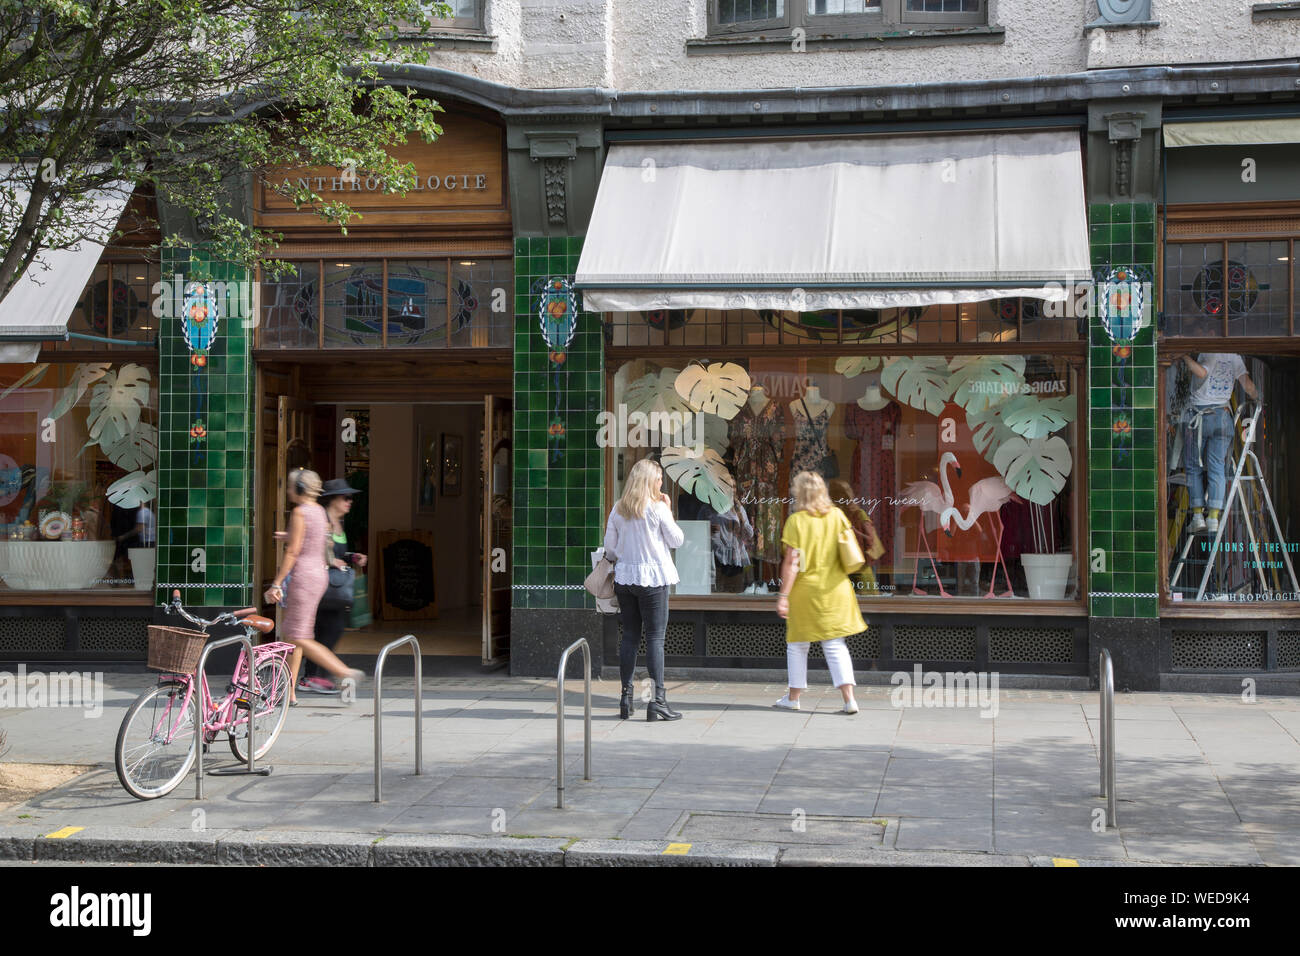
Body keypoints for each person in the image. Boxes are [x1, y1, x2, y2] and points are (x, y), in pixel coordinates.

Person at [264, 468, 364, 705]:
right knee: (295, 635)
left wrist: (276, 583)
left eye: (290, 486)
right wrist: (290, 535)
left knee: (299, 637)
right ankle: (288, 692)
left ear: (299, 489)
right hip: (317, 576)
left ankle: (343, 672)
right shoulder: (319, 511)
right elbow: (313, 540)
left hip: (303, 578)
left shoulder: (300, 512)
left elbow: (294, 551)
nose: (288, 490)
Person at [774, 471, 863, 714]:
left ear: (799, 492)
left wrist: (783, 596)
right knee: (835, 645)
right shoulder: (837, 516)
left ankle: (793, 697)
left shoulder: (797, 521)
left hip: (806, 591)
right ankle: (849, 700)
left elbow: (792, 562)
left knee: (797, 645)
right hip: (836, 590)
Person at [604, 458, 685, 721]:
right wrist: (669, 509)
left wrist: (630, 552)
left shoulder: (618, 509)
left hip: (626, 579)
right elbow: (677, 540)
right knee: (655, 638)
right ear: (650, 481)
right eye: (659, 478)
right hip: (653, 579)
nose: (662, 482)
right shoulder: (657, 508)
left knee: (629, 637)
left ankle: (626, 698)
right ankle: (657, 701)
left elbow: (611, 549)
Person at [299, 478, 368, 694]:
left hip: (334, 587)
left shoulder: (340, 524)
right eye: (345, 498)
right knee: (323, 631)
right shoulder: (324, 521)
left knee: (332, 630)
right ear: (332, 500)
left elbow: (337, 553)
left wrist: (351, 556)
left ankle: (316, 676)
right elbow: (309, 548)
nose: (350, 502)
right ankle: (311, 677)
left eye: (350, 498)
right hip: (320, 585)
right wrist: (330, 560)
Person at [1179, 354, 1259, 535]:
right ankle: (1213, 517)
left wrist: (1184, 356)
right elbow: (1247, 385)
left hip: (1199, 415)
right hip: (1222, 416)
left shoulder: (1210, 351)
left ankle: (1198, 516)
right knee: (1217, 467)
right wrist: (1258, 399)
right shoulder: (1235, 357)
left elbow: (1201, 372)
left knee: (1193, 467)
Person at [829, 478, 884, 595]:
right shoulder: (834, 515)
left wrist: (853, 531)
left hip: (860, 568)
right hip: (842, 568)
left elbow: (871, 539)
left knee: (867, 604)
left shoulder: (859, 514)